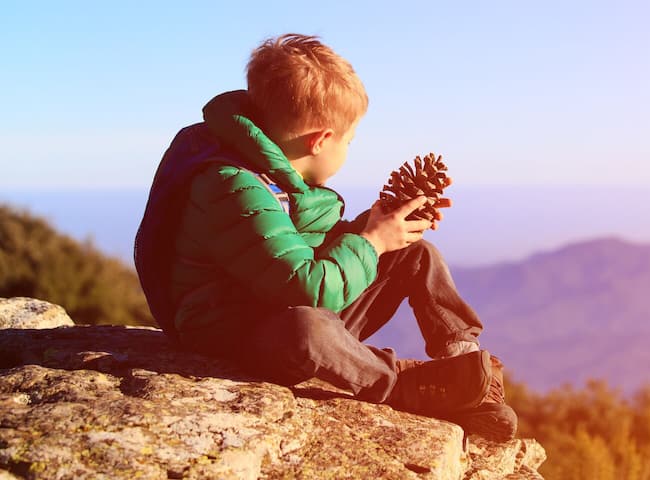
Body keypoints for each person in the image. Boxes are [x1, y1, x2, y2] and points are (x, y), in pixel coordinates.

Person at [132, 33, 515, 439]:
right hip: (236, 335)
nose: (349, 148)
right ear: (320, 140)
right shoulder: (233, 186)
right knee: (308, 328)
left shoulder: (271, 168)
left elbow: (296, 246)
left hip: (280, 301)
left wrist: (373, 229)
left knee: (416, 254)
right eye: (349, 140)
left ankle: (466, 368)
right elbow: (307, 287)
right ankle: (402, 385)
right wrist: (370, 243)